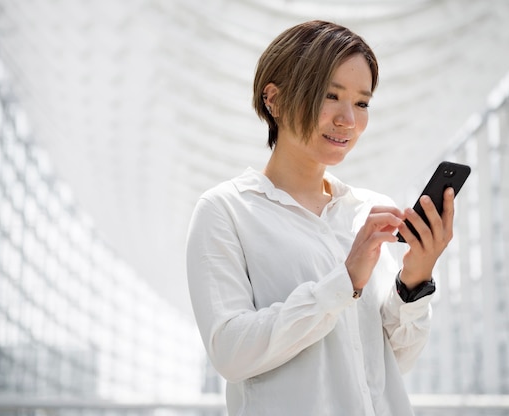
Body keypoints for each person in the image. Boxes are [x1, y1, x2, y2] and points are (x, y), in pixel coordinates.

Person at [186, 20, 455, 416]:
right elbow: (231, 353)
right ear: (273, 100)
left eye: (362, 103)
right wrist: (344, 281)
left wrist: (414, 280)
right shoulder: (226, 210)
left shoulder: (368, 212)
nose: (348, 119)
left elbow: (389, 364)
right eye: (330, 96)